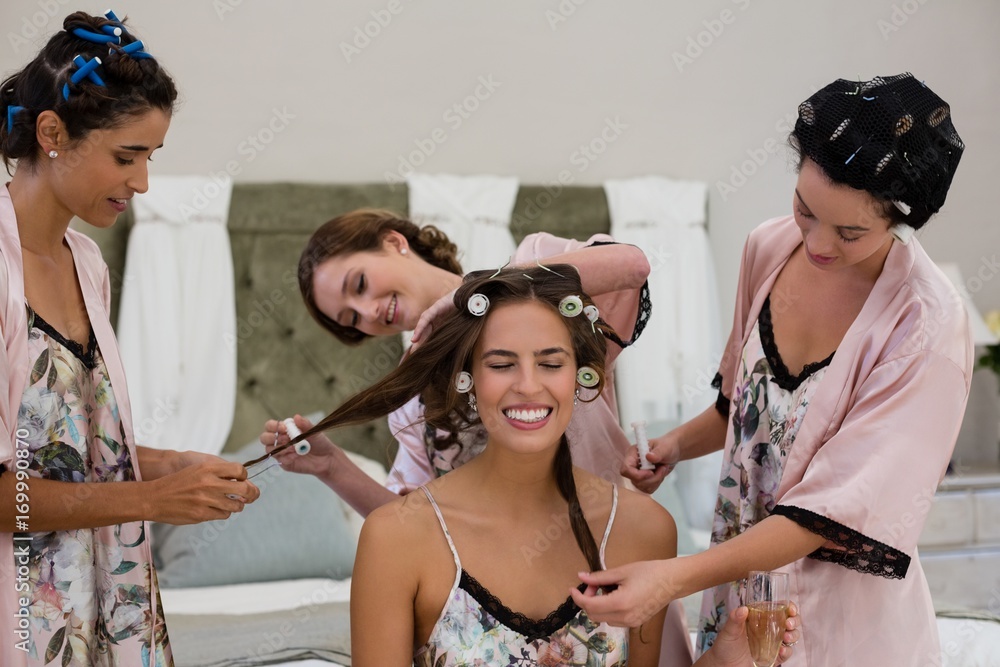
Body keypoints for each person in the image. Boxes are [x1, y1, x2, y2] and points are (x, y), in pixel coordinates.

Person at [572, 73, 970, 665]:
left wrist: (672, 578)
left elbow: (833, 511)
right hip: (739, 602)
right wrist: (674, 446)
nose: (819, 244)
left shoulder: (926, 325)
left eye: (851, 232)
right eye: (806, 210)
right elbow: (742, 408)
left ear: (899, 220)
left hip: (843, 624)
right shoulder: (768, 248)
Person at [269, 264, 800, 666]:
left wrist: (726, 659)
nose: (529, 385)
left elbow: (632, 265)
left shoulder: (642, 529)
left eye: (551, 362)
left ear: (580, 377)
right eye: (501, 364)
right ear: (468, 379)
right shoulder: (397, 538)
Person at [0, 12, 260, 665]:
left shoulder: (87, 263)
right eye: (126, 156)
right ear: (51, 133)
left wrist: (168, 462)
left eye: (150, 156)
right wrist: (150, 498)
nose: (141, 183)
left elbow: (58, 443)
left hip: (106, 605)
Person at [262, 210, 650, 516]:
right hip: (499, 601)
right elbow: (410, 524)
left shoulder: (538, 269)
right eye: (352, 319)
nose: (369, 311)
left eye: (360, 284)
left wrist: (476, 291)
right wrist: (332, 466)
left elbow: (632, 267)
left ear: (394, 242)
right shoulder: (411, 400)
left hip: (607, 558)